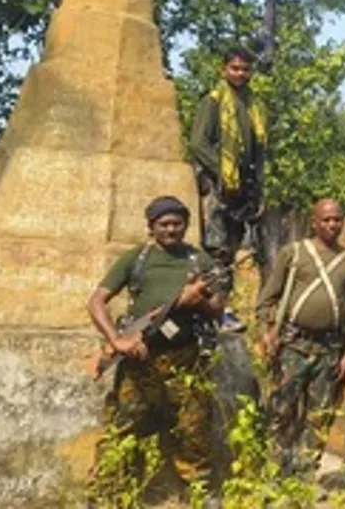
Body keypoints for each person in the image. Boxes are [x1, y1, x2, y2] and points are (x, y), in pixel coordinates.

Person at [86, 196, 229, 497]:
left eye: (177, 224)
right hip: (140, 359)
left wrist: (199, 301)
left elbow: (218, 310)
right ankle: (110, 492)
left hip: (186, 358)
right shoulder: (136, 259)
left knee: (193, 427)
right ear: (151, 226)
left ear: (186, 225)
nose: (171, 229)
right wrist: (117, 340)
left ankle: (198, 491)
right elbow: (97, 301)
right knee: (126, 424)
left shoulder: (199, 261)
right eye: (164, 224)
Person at [256, 199, 345, 477]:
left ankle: (304, 475)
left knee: (319, 416)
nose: (332, 225)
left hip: (329, 350)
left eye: (337, 219)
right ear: (314, 222)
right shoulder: (293, 253)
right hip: (292, 346)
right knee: (281, 411)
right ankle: (274, 472)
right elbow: (267, 298)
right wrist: (266, 332)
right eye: (326, 219)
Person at [188, 47, 269, 334]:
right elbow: (198, 143)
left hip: (243, 190)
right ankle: (212, 310)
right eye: (235, 68)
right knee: (215, 249)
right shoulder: (212, 102)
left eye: (245, 69)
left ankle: (222, 307)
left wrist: (258, 191)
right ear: (223, 70)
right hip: (217, 187)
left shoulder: (253, 105)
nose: (240, 74)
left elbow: (259, 152)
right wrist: (222, 172)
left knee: (232, 250)